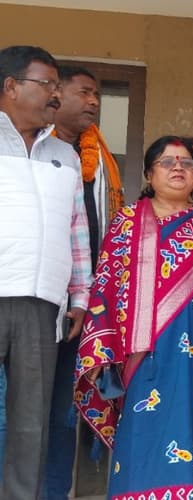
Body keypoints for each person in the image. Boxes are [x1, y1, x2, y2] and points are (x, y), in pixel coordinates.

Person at [74, 136, 193, 499]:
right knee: (142, 428)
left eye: (186, 162)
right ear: (150, 174)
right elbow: (105, 286)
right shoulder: (127, 221)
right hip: (140, 353)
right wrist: (100, 349)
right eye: (167, 162)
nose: (178, 168)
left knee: (190, 422)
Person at [0, 45, 92, 500]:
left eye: (57, 86)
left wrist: (80, 296)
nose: (56, 94)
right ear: (11, 86)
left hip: (42, 305)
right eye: (47, 84)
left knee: (30, 425)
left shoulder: (65, 155)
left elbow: (77, 230)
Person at [45, 64, 124, 500]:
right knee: (16, 405)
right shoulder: (35, 152)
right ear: (56, 93)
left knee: (64, 407)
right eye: (85, 92)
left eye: (97, 95)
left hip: (84, 303)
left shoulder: (102, 160)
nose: (93, 101)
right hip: (37, 295)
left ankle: (55, 492)